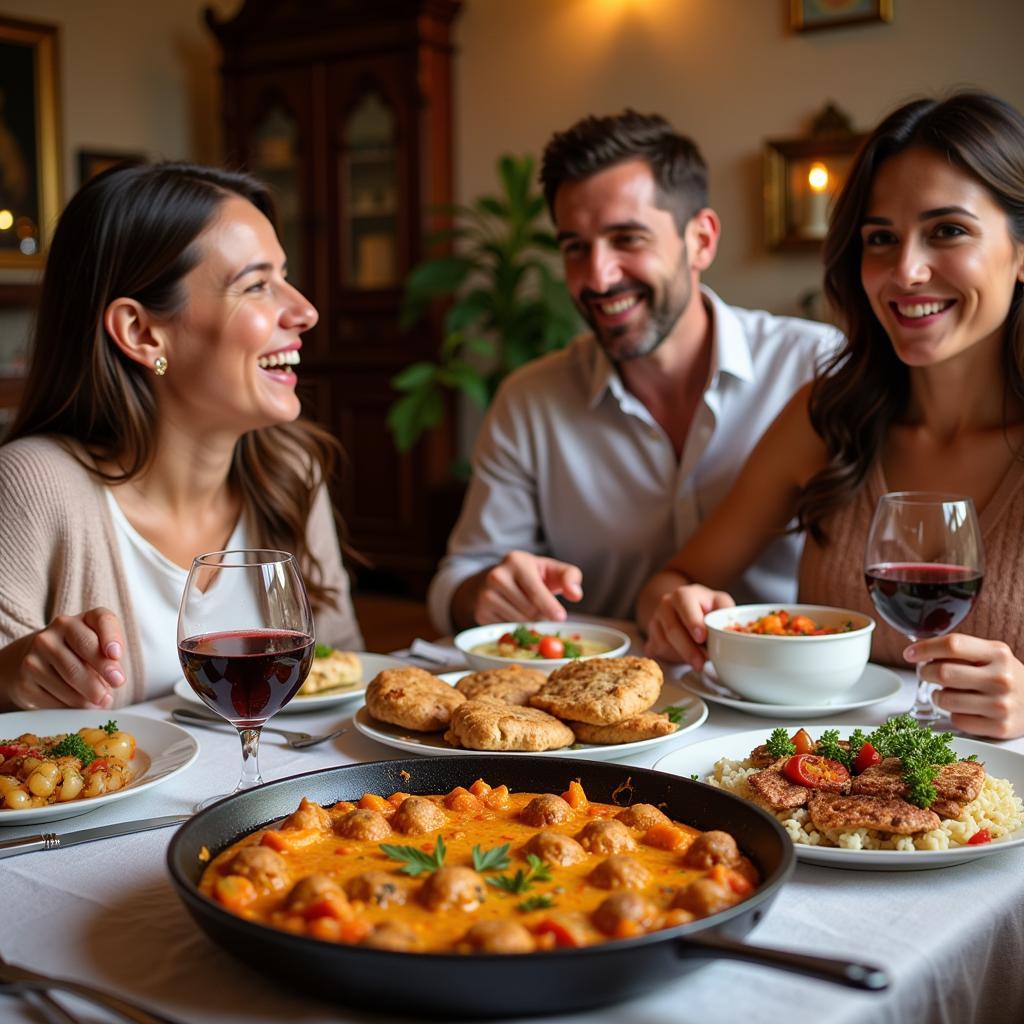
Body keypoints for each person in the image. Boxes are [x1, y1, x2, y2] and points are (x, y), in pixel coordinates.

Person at [639, 90, 1024, 741]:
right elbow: (675, 580)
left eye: (947, 231)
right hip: (826, 792)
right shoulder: (827, 415)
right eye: (881, 239)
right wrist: (677, 608)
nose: (905, 270)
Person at [427, 110, 842, 634]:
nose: (597, 276)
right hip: (589, 699)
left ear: (702, 240)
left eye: (627, 239)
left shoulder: (815, 367)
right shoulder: (529, 401)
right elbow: (458, 579)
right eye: (575, 247)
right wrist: (482, 593)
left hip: (786, 700)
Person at [0, 162, 362, 711]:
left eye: (284, 276)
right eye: (257, 285)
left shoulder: (292, 472)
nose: (305, 311)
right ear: (142, 332)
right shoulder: (35, 482)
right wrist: (8, 677)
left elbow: (346, 687)